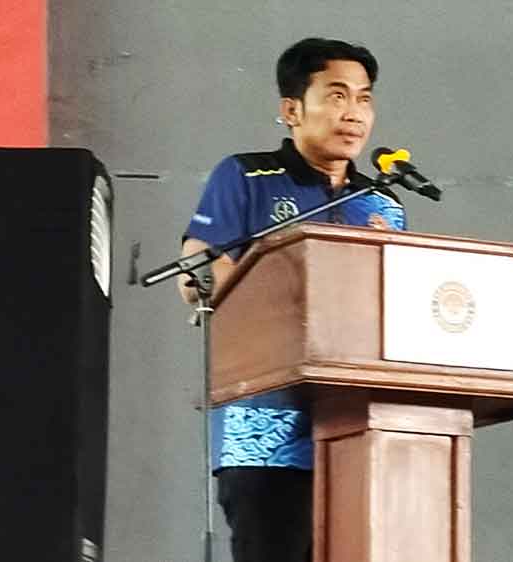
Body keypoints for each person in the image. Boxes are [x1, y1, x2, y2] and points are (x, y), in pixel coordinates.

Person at [178, 38, 406, 562]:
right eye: (337, 96)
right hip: (266, 434)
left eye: (364, 99)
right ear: (291, 109)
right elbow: (195, 273)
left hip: (360, 432)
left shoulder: (384, 204)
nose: (354, 113)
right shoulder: (246, 176)